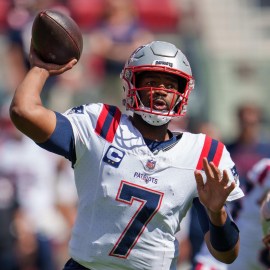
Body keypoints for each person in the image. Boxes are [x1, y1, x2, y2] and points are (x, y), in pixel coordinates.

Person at [10, 40, 244, 270]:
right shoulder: (101, 125)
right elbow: (24, 112)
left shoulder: (202, 153)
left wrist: (217, 214)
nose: (161, 91)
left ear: (183, 93)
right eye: (152, 81)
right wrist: (40, 69)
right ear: (132, 84)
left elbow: (227, 255)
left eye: (170, 85)